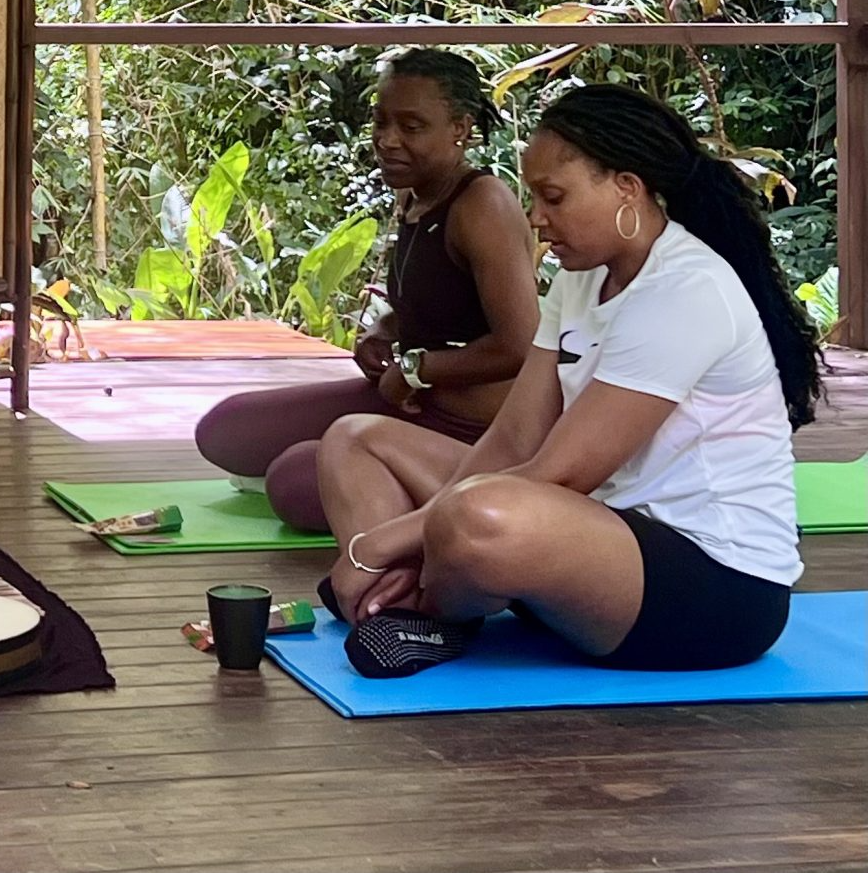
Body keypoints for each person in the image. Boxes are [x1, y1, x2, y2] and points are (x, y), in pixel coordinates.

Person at [315, 84, 821, 678]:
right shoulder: (582, 277)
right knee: (354, 441)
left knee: (479, 516)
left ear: (626, 188)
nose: (535, 218)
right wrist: (412, 541)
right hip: (589, 538)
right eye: (533, 197)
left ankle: (426, 606)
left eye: (553, 197)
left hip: (716, 591)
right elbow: (512, 440)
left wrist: (376, 547)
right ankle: (432, 593)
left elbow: (560, 472)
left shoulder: (685, 292)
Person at [194, 50, 540, 530]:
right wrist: (382, 331)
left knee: (294, 480)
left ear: (459, 128)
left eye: (411, 126)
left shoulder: (483, 205)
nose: (387, 140)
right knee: (226, 430)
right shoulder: (418, 194)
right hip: (405, 398)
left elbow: (520, 345)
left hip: (471, 429)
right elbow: (435, 308)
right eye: (380, 121)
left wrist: (418, 370)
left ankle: (449, 495)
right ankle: (387, 473)